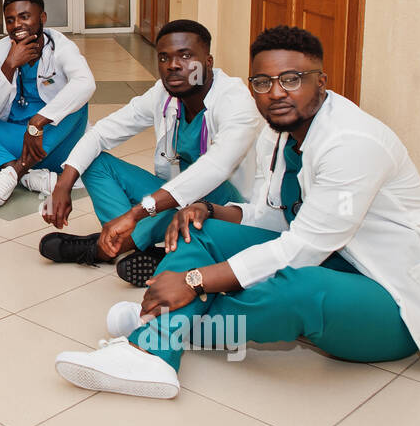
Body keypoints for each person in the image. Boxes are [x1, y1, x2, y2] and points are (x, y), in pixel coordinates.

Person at [54, 26, 420, 398]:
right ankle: (156, 354)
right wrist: (212, 211)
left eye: (292, 79)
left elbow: (302, 247)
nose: (276, 92)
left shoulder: (351, 143)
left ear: (321, 81)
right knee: (196, 230)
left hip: (394, 302)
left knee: (295, 284)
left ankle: (159, 327)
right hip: (338, 261)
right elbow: (273, 217)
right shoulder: (283, 135)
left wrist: (196, 282)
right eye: (263, 81)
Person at [38, 20, 263, 285]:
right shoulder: (163, 93)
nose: (173, 65)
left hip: (224, 207)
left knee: (199, 189)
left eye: (186, 55)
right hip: (171, 198)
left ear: (209, 61)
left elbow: (213, 170)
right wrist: (64, 183)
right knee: (94, 162)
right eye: (164, 57)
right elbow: (101, 133)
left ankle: (105, 247)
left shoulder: (235, 102)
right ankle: (136, 246)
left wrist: (135, 214)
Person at [0, 0, 95, 206]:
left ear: (42, 18)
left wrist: (39, 121)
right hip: (18, 139)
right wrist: (9, 65)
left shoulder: (61, 47)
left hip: (54, 142)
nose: (17, 25)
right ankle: (20, 174)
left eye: (25, 17)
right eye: (10, 20)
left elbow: (86, 83)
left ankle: (14, 170)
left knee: (79, 102)